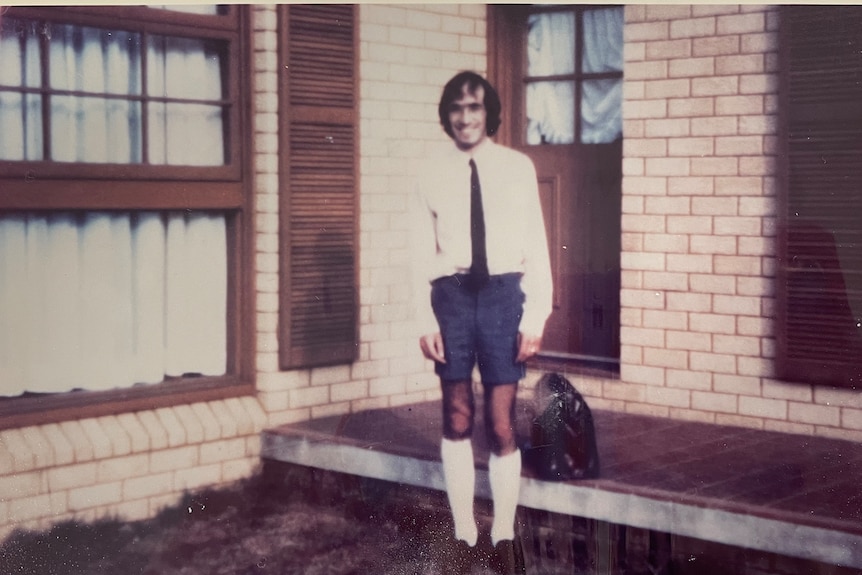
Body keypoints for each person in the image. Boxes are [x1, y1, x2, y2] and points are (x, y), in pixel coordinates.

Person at [411, 71, 553, 575]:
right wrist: (422, 316)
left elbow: (536, 245)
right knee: (456, 415)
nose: (465, 117)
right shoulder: (429, 171)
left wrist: (535, 314)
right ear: (446, 115)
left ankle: (505, 533)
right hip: (449, 297)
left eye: (473, 108)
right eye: (456, 108)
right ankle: (463, 532)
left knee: (498, 421)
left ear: (487, 113)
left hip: (501, 296)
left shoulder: (516, 167)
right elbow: (416, 250)